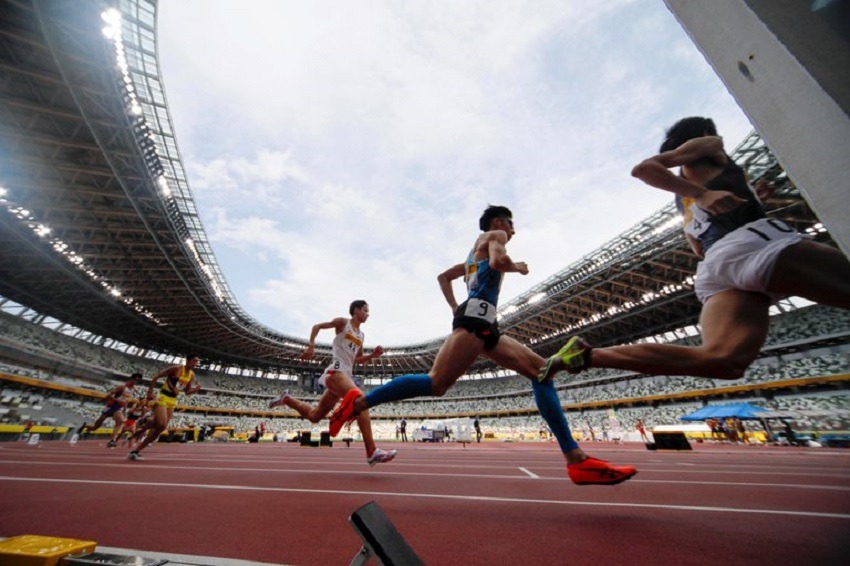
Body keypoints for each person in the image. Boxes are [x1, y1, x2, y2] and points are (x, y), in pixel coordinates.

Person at [329, 205, 636, 486]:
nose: (513, 232)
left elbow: (443, 277)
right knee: (436, 384)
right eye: (511, 225)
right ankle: (357, 404)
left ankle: (576, 458)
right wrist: (518, 267)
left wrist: (454, 306)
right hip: (476, 322)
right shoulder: (495, 234)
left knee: (542, 372)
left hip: (483, 323)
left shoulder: (469, 258)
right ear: (498, 221)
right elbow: (499, 260)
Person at [539, 116, 850, 383]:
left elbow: (698, 247)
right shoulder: (710, 145)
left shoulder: (682, 200)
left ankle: (587, 355)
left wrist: (742, 199)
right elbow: (644, 169)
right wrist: (702, 193)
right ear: (703, 133)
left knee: (722, 360)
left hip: (718, 267)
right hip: (755, 244)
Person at [268, 300, 396, 467]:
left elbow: (357, 359)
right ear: (356, 310)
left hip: (346, 375)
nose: (367, 314)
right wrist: (311, 346)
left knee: (315, 416)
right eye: (365, 310)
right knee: (361, 401)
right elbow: (317, 327)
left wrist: (373, 355)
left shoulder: (361, 336)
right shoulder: (343, 323)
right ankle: (371, 452)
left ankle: (287, 399)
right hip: (336, 370)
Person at [128, 354, 202, 461]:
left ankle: (135, 451)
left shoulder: (191, 375)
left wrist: (196, 389)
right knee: (161, 423)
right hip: (163, 397)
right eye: (194, 361)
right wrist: (150, 392)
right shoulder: (176, 368)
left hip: (173, 400)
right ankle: (143, 428)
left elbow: (186, 392)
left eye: (197, 362)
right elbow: (156, 377)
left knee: (161, 428)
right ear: (188, 360)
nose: (196, 364)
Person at [81, 373, 141, 448]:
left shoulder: (133, 389)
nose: (135, 381)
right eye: (135, 379)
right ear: (131, 379)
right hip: (111, 406)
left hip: (119, 407)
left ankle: (112, 441)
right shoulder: (122, 387)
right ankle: (85, 426)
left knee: (120, 421)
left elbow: (126, 400)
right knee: (95, 427)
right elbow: (108, 396)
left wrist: (124, 411)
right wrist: (117, 400)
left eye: (137, 380)